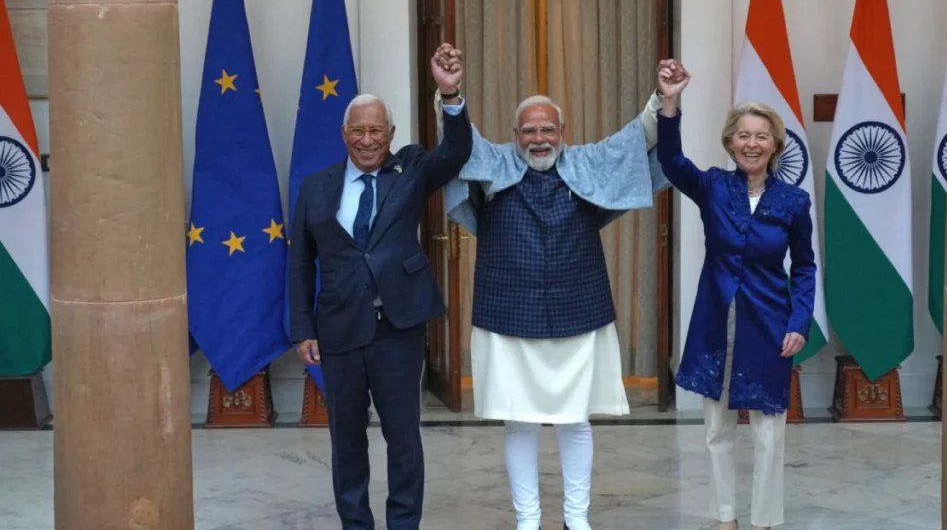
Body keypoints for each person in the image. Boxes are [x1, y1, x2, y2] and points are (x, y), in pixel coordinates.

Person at [435, 63, 673, 530]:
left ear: (563, 132)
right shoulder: (493, 161)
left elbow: (636, 139)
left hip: (579, 310)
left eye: (548, 129)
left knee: (576, 420)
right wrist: (450, 94)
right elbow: (459, 142)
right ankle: (528, 520)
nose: (539, 139)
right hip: (507, 312)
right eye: (529, 131)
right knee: (518, 420)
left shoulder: (586, 162)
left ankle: (576, 519)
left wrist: (663, 98)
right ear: (515, 135)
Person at [288, 44, 473, 530]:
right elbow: (299, 263)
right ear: (343, 134)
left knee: (403, 439)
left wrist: (450, 94)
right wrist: (302, 329)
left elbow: (456, 152)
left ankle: (403, 524)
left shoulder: (411, 169)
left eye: (376, 131)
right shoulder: (315, 187)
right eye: (358, 131)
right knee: (346, 440)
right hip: (339, 329)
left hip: (398, 327)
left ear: (391, 135)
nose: (367, 140)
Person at [655, 60, 815, 530]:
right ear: (730, 142)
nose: (751, 143)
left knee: (768, 433)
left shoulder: (793, 202)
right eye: (743, 135)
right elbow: (671, 162)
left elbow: (805, 267)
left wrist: (799, 321)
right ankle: (725, 517)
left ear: (775, 145)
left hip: (770, 324)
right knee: (717, 428)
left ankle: (764, 520)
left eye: (761, 136)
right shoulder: (713, 187)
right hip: (715, 321)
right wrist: (670, 102)